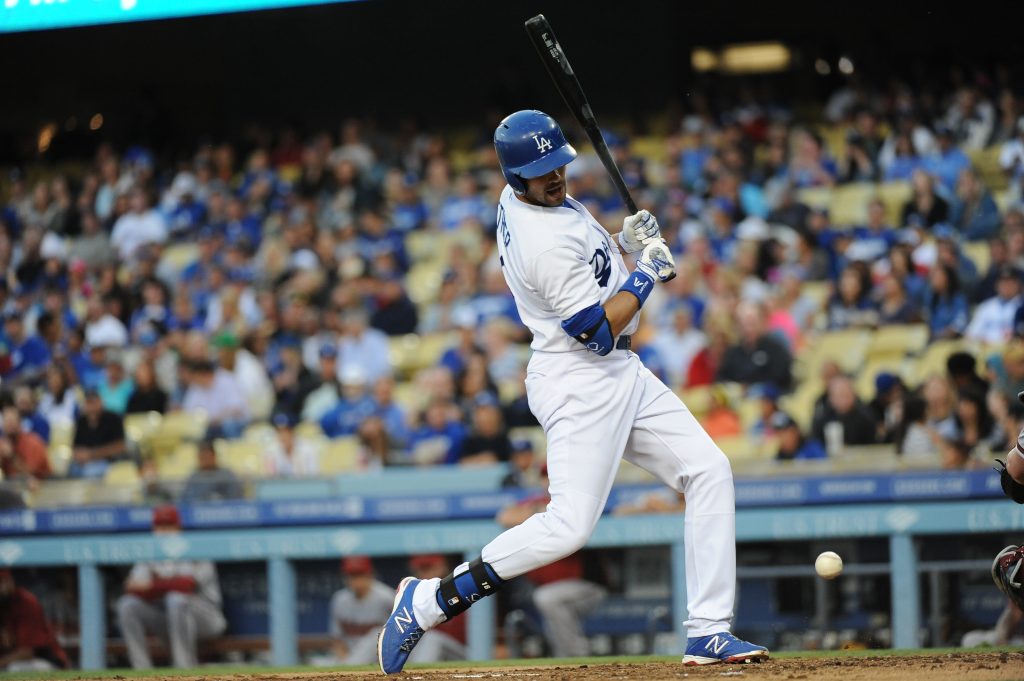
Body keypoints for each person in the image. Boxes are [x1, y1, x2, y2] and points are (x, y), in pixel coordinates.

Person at [377, 110, 766, 674]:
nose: (555, 176)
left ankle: (707, 631)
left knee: (708, 470)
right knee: (568, 527)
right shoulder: (541, 243)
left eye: (558, 163)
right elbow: (598, 331)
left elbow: (585, 251)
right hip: (580, 375)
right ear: (515, 179)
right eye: (541, 171)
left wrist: (621, 241)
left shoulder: (533, 203)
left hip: (618, 373)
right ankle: (430, 602)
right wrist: (646, 275)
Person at [496, 467, 606, 657]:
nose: (548, 480)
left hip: (589, 587)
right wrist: (538, 511)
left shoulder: (575, 499)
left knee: (547, 598)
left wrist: (535, 514)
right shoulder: (535, 501)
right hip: (551, 589)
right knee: (548, 601)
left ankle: (576, 656)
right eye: (544, 476)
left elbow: (562, 517)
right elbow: (504, 516)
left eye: (552, 475)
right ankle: (567, 657)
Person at [116, 505, 226, 669]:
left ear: (178, 527)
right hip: (168, 620)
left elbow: (186, 585)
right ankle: (141, 670)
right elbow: (131, 587)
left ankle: (184, 667)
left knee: (176, 599)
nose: (165, 531)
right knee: (127, 605)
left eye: (169, 526)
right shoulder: (150, 552)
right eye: (160, 526)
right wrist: (164, 585)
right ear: (154, 529)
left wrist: (151, 586)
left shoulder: (196, 548)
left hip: (207, 619)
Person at [327, 556, 395, 666]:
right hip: (350, 656)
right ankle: (349, 665)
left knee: (378, 632)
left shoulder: (386, 597)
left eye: (360, 574)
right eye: (352, 575)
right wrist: (343, 658)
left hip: (382, 656)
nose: (356, 580)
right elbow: (337, 640)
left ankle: (349, 665)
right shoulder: (339, 600)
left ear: (370, 574)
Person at [0, 568, 69, 671]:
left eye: (2, 582)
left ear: (9, 581)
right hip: (11, 661)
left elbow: (27, 652)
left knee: (14, 669)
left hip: (46, 661)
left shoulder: (26, 602)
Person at [405, 555, 468, 663]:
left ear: (442, 566)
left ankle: (417, 675)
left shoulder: (461, 587)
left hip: (465, 652)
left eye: (429, 568)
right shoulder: (413, 597)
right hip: (427, 653)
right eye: (421, 569)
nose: (425, 574)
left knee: (433, 639)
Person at [70, 388, 126, 478]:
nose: (92, 407)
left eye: (94, 403)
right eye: (88, 403)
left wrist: (92, 454)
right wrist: (79, 455)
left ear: (101, 403)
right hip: (83, 462)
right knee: (71, 469)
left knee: (90, 472)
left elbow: (120, 446)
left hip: (106, 461)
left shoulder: (113, 419)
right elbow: (75, 447)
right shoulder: (81, 421)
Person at [965, 266, 1022, 345]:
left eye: (1010, 282)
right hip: (985, 349)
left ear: (1018, 284)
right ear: (997, 285)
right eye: (1003, 282)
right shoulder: (986, 306)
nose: (1006, 286)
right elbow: (971, 333)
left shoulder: (1021, 306)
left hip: (1011, 350)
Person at [180, 439, 245, 502]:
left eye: (208, 457)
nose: (205, 461)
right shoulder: (194, 478)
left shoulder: (227, 475)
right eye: (202, 457)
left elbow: (236, 498)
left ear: (214, 456)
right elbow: (186, 500)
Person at [0, 405, 51, 480]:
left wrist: (11, 456)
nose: (9, 426)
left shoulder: (33, 442)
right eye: (6, 422)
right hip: (12, 487)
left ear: (20, 423)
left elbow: (31, 474)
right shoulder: (3, 443)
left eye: (12, 422)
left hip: (44, 485)